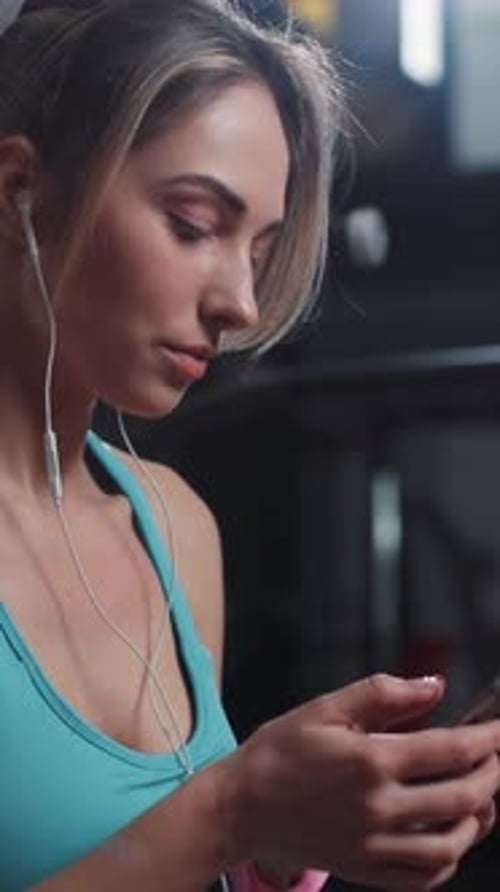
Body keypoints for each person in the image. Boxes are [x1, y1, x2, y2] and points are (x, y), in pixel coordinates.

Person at [0, 2, 500, 891]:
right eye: (194, 224)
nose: (241, 302)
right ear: (18, 190)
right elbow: (198, 825)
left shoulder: (175, 529)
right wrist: (232, 809)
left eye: (260, 250)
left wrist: (288, 839)